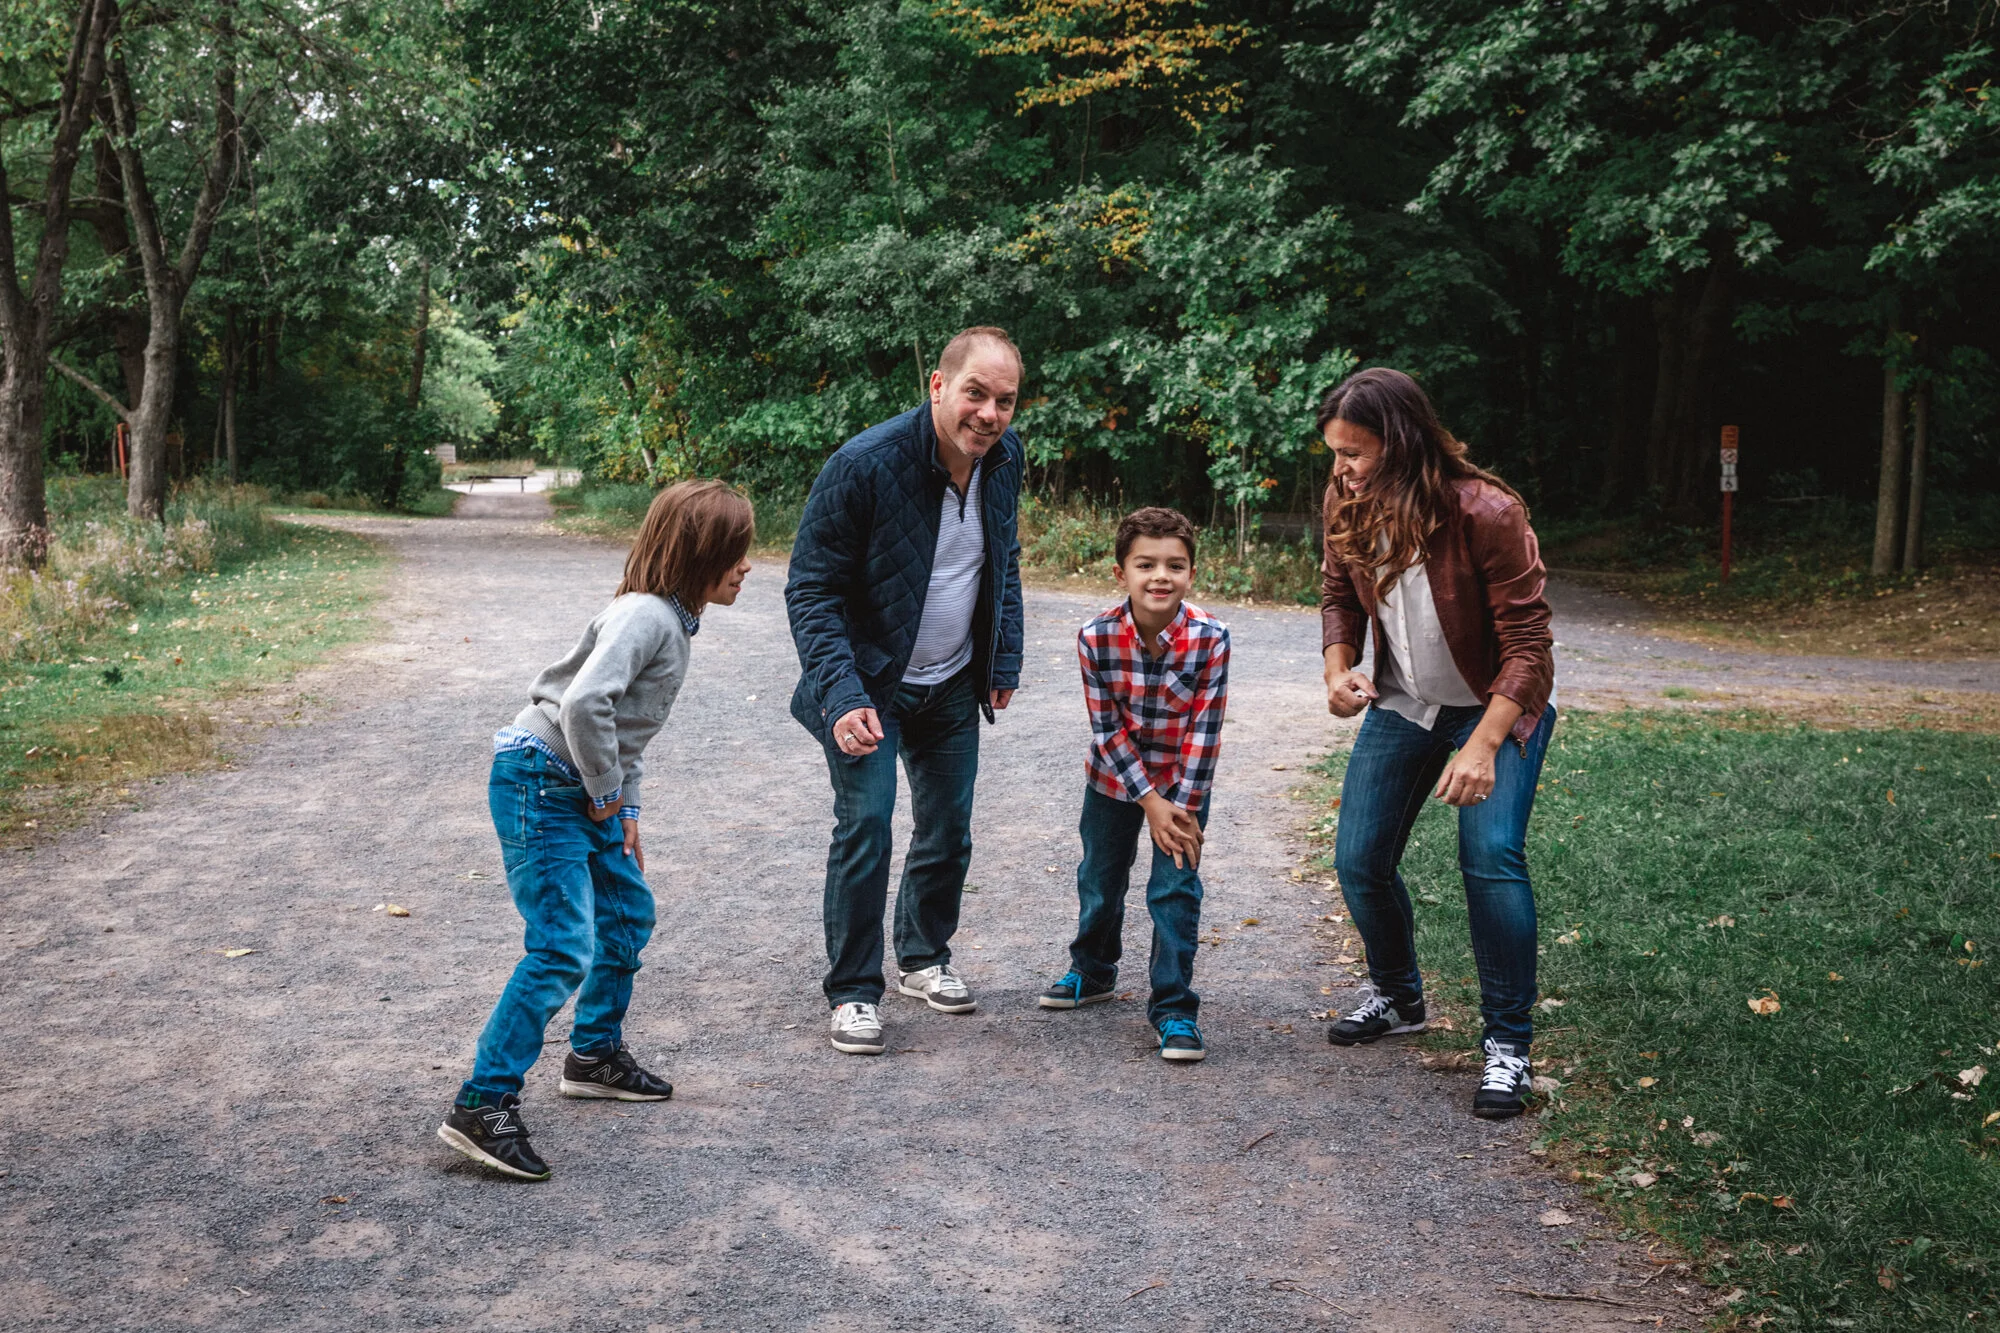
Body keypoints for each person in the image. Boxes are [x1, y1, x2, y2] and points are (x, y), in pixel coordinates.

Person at [438, 479, 755, 1179]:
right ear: (699, 553)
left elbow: (624, 728)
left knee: (626, 914)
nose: (746, 566)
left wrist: (627, 808)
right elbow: (583, 705)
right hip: (542, 783)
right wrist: (609, 793)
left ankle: (593, 1053)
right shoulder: (646, 615)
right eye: (735, 552)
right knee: (562, 947)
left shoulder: (667, 619)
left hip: (581, 790)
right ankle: (482, 1102)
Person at [1316, 367, 1555, 1120]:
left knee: (1490, 858)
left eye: (1354, 453)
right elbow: (1334, 595)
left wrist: (1483, 745)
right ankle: (1397, 992)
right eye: (1335, 453)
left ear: (1402, 442)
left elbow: (1529, 647)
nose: (1341, 470)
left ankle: (1508, 1045)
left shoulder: (1486, 511)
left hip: (1493, 709)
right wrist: (1338, 668)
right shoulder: (1344, 499)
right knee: (1359, 857)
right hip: (1403, 704)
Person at [786, 327, 1025, 1055]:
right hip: (868, 688)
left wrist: (1003, 657)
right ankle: (855, 992)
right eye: (975, 394)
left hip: (952, 680)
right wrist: (842, 691)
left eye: (1005, 401)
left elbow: (1003, 560)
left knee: (948, 827)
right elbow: (811, 588)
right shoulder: (864, 464)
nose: (988, 414)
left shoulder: (1006, 459)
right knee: (867, 824)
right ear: (938, 387)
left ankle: (923, 958)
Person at [1039, 507, 1228, 1062]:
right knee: (1100, 875)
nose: (1160, 577)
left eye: (1175, 565)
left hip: (1184, 788)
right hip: (1113, 782)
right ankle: (1093, 970)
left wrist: (1180, 809)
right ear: (1121, 572)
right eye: (1145, 564)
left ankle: (1173, 1008)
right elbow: (1106, 729)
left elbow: (1205, 730)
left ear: (1192, 573)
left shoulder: (1210, 637)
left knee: (1174, 888)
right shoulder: (1095, 637)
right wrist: (1146, 800)